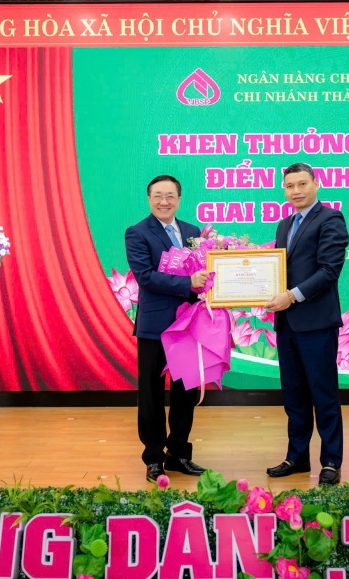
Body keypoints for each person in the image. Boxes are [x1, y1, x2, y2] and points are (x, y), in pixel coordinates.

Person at [264, 163, 349, 485]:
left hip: (316, 323)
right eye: (290, 186)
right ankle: (297, 457)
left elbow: (329, 270)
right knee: (294, 395)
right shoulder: (284, 225)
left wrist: (292, 296)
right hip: (287, 324)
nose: (296, 191)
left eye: (302, 184)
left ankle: (331, 461)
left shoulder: (330, 219)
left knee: (323, 394)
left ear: (316, 184)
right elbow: (279, 269)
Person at [125, 175, 210, 481]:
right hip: (155, 326)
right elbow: (145, 276)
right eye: (158, 196)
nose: (164, 201)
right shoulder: (137, 233)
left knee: (185, 392)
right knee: (151, 393)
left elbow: (205, 270)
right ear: (149, 199)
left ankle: (178, 454)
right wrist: (188, 282)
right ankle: (153, 457)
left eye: (170, 196)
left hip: (189, 323)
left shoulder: (193, 232)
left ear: (179, 199)